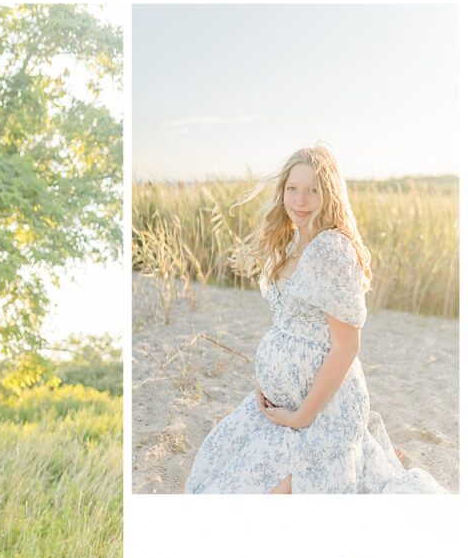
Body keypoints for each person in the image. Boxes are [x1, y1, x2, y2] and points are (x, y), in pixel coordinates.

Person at [185, 144, 445, 493]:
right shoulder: (292, 242)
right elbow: (288, 323)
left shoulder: (331, 250)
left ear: (330, 195)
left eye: (313, 190)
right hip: (280, 404)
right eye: (293, 188)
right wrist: (267, 380)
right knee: (217, 474)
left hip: (321, 413)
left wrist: (302, 416)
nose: (300, 199)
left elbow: (346, 346)